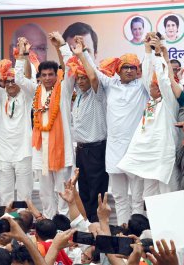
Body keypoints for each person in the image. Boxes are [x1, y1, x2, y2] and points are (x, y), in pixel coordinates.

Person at [82, 36, 152, 226]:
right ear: (118, 70)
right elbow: (94, 72)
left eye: (133, 67)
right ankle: (123, 232)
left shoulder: (142, 87)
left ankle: (136, 232)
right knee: (120, 197)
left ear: (138, 71)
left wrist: (147, 50)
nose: (129, 70)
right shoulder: (111, 85)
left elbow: (149, 71)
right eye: (125, 67)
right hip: (114, 150)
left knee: (137, 198)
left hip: (136, 150)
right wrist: (83, 53)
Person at [15, 32, 74, 219]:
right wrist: (22, 55)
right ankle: (48, 223)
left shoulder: (64, 90)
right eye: (44, 75)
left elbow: (71, 67)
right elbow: (19, 79)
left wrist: (63, 45)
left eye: (51, 74)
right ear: (39, 77)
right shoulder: (36, 91)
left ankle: (64, 223)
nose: (48, 78)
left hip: (61, 149)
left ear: (57, 76)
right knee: (45, 192)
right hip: (41, 150)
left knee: (63, 190)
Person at [118, 35, 179, 197]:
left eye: (157, 84)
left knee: (168, 194)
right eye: (152, 85)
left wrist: (159, 54)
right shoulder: (151, 100)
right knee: (149, 195)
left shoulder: (169, 100)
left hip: (164, 156)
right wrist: (147, 50)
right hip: (148, 155)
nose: (154, 85)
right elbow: (147, 75)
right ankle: (153, 223)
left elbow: (163, 80)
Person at [67, 37, 108, 222]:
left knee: (96, 190)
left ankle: (97, 223)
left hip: (96, 149)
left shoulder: (96, 94)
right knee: (83, 188)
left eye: (84, 77)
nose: (82, 81)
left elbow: (94, 76)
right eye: (79, 78)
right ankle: (86, 223)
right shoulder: (78, 97)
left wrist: (82, 54)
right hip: (81, 149)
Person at [0, 41, 34, 206]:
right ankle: (6, 222)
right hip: (3, 153)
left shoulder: (27, 96)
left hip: (23, 151)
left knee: (25, 194)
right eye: (7, 81)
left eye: (13, 81)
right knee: (5, 194)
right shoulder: (2, 96)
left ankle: (25, 222)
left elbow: (24, 78)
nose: (10, 84)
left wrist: (22, 57)